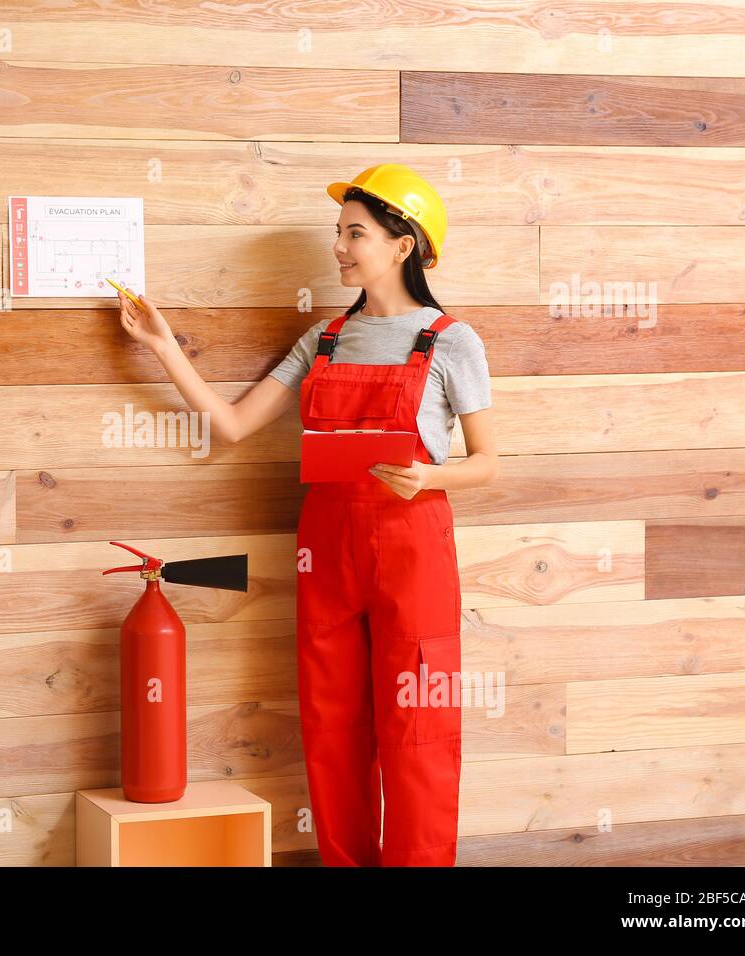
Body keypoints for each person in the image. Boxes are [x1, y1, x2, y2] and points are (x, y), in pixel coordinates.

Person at [115, 164, 498, 866]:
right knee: (331, 727)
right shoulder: (323, 341)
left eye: (355, 233)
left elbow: (490, 461)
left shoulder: (450, 341)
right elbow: (231, 425)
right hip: (325, 553)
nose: (341, 248)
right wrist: (163, 346)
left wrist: (429, 477)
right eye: (339, 233)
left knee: (418, 727)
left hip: (414, 547)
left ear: (402, 245)